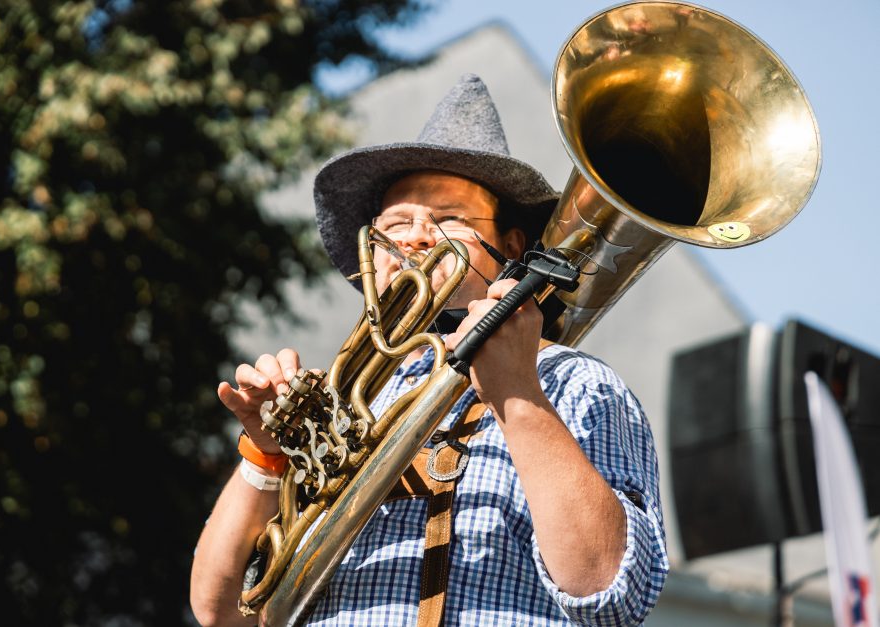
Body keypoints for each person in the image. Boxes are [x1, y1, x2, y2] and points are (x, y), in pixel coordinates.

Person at [190, 74, 668, 626]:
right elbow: (222, 613)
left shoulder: (574, 381)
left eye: (448, 220)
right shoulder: (339, 401)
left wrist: (517, 394)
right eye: (395, 225)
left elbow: (612, 595)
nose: (416, 238)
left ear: (510, 247)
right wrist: (268, 453)